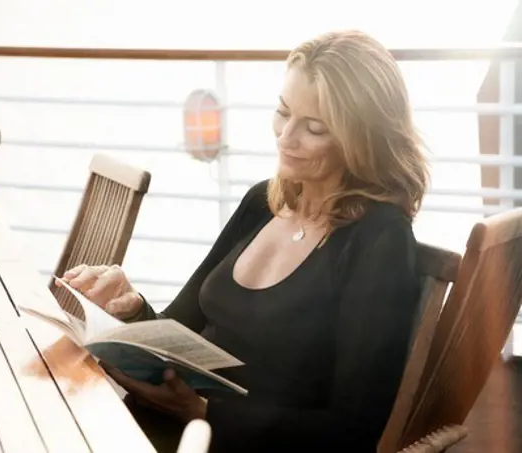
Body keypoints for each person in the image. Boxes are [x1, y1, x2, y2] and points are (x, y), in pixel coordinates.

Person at [59, 29, 428, 453]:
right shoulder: (263, 201)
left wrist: (202, 412)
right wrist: (131, 306)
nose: (286, 137)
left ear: (362, 139)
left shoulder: (379, 240)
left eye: (314, 127)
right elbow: (180, 328)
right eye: (283, 112)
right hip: (163, 425)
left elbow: (354, 428)